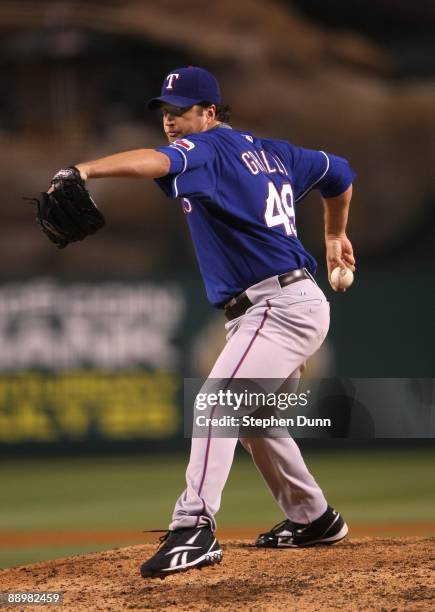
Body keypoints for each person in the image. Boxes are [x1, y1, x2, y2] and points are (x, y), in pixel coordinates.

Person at [68, 66, 356, 578]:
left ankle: (193, 527)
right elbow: (340, 172)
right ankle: (314, 518)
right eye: (164, 111)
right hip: (284, 302)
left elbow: (155, 161)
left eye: (181, 111)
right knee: (251, 419)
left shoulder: (207, 150)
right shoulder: (275, 151)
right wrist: (334, 235)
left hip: (278, 306)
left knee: (217, 402)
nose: (171, 121)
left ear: (209, 113)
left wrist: (84, 170)